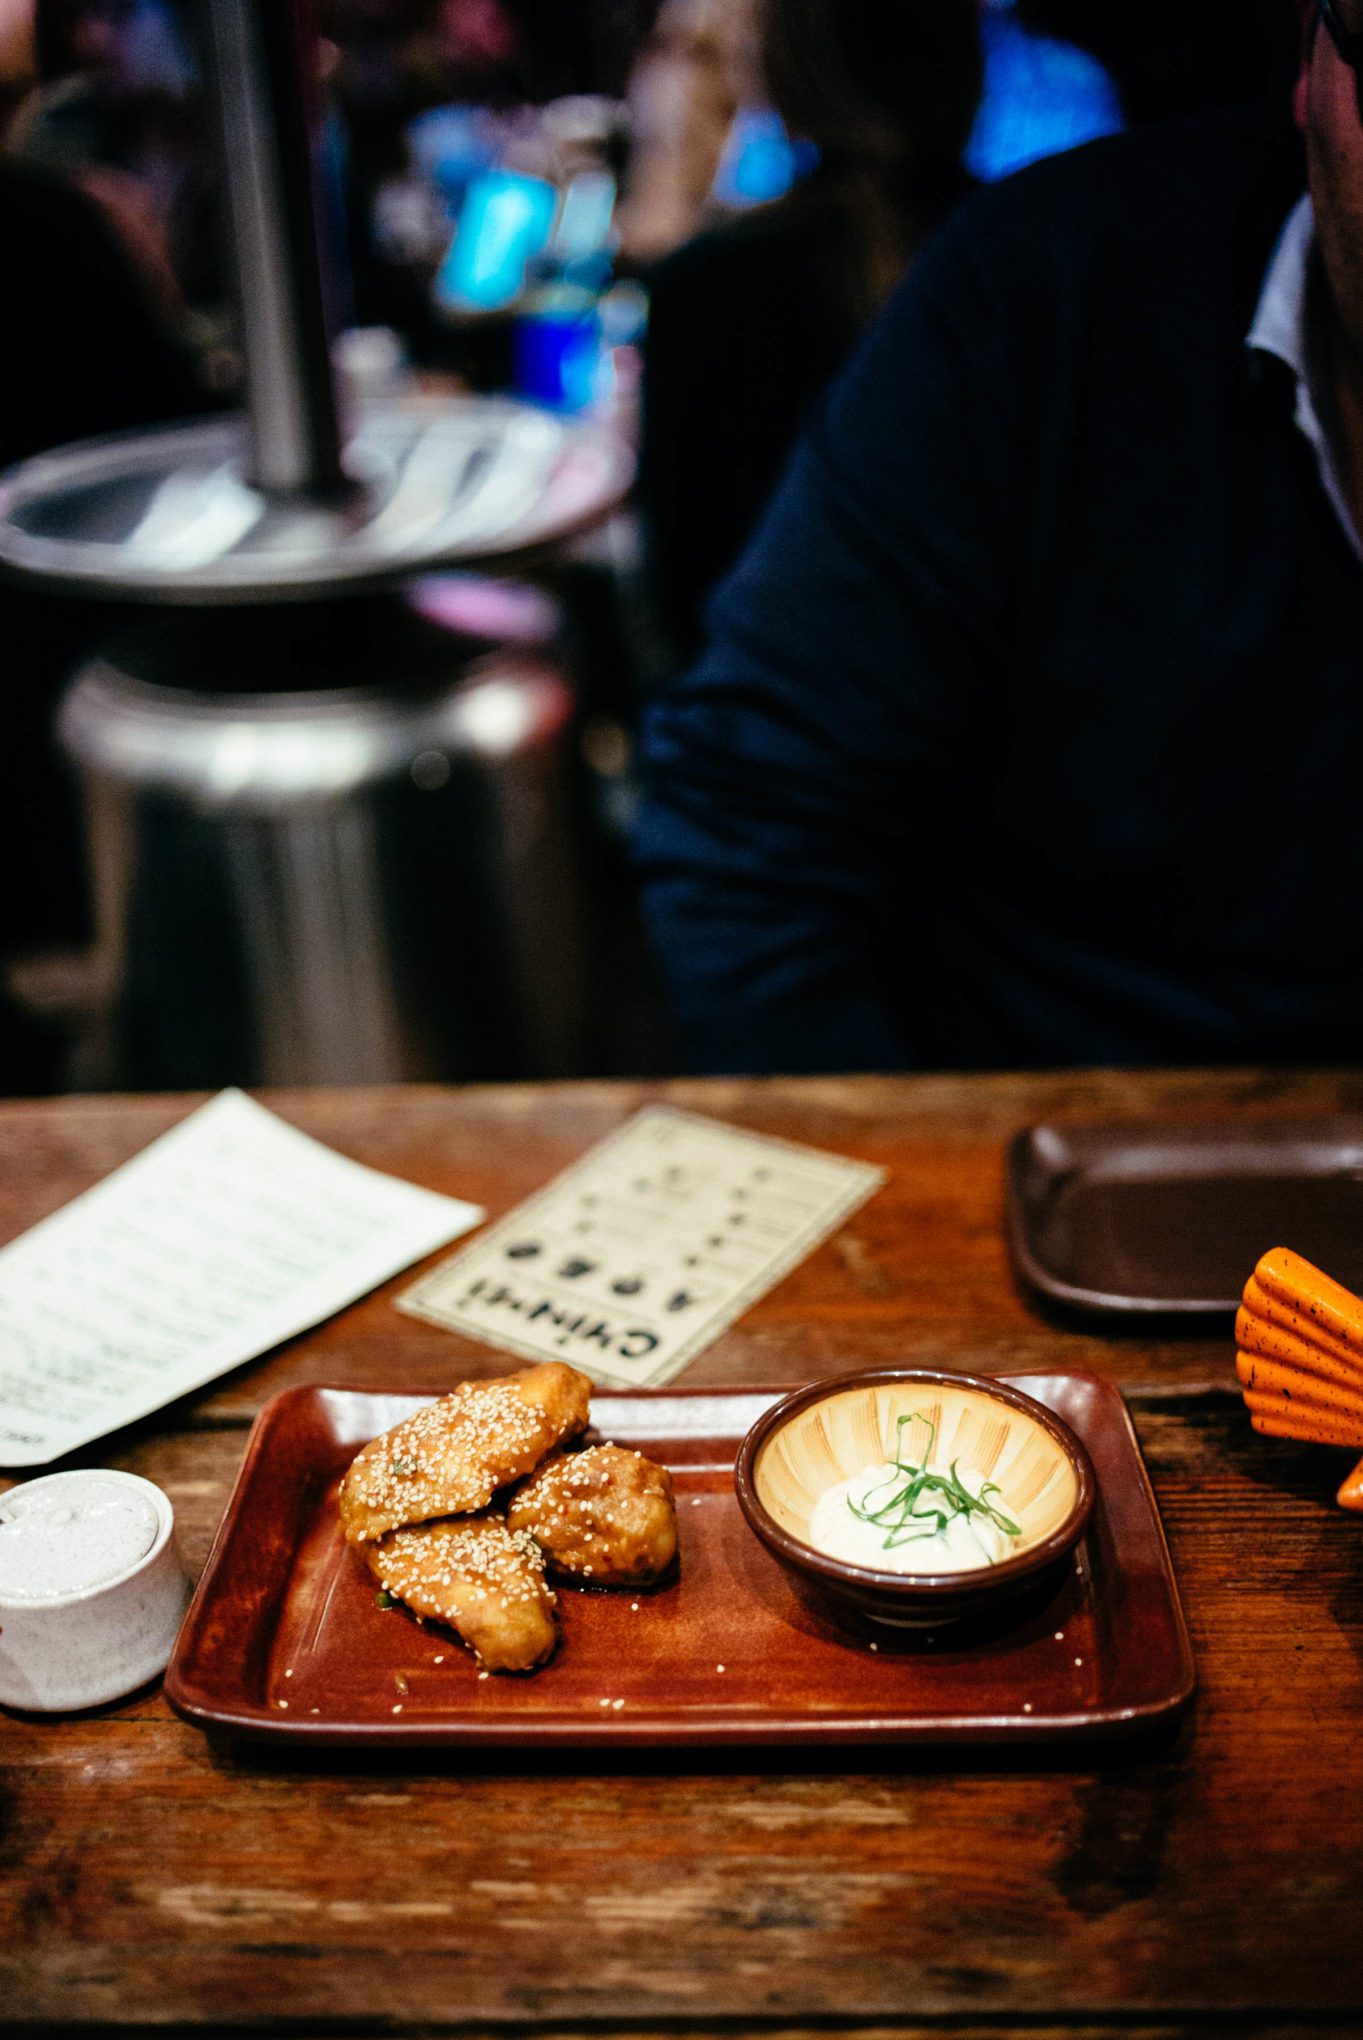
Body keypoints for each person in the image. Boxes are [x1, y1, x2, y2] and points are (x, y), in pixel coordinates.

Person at [636, 6, 1363, 1077]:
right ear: (1311, 61)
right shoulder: (1044, 285)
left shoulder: (726, 276)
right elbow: (743, 813)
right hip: (1054, 1138)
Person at [637, 0, 982, 660]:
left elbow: (681, 597)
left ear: (776, 67)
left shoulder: (710, 284)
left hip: (787, 737)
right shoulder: (1046, 256)